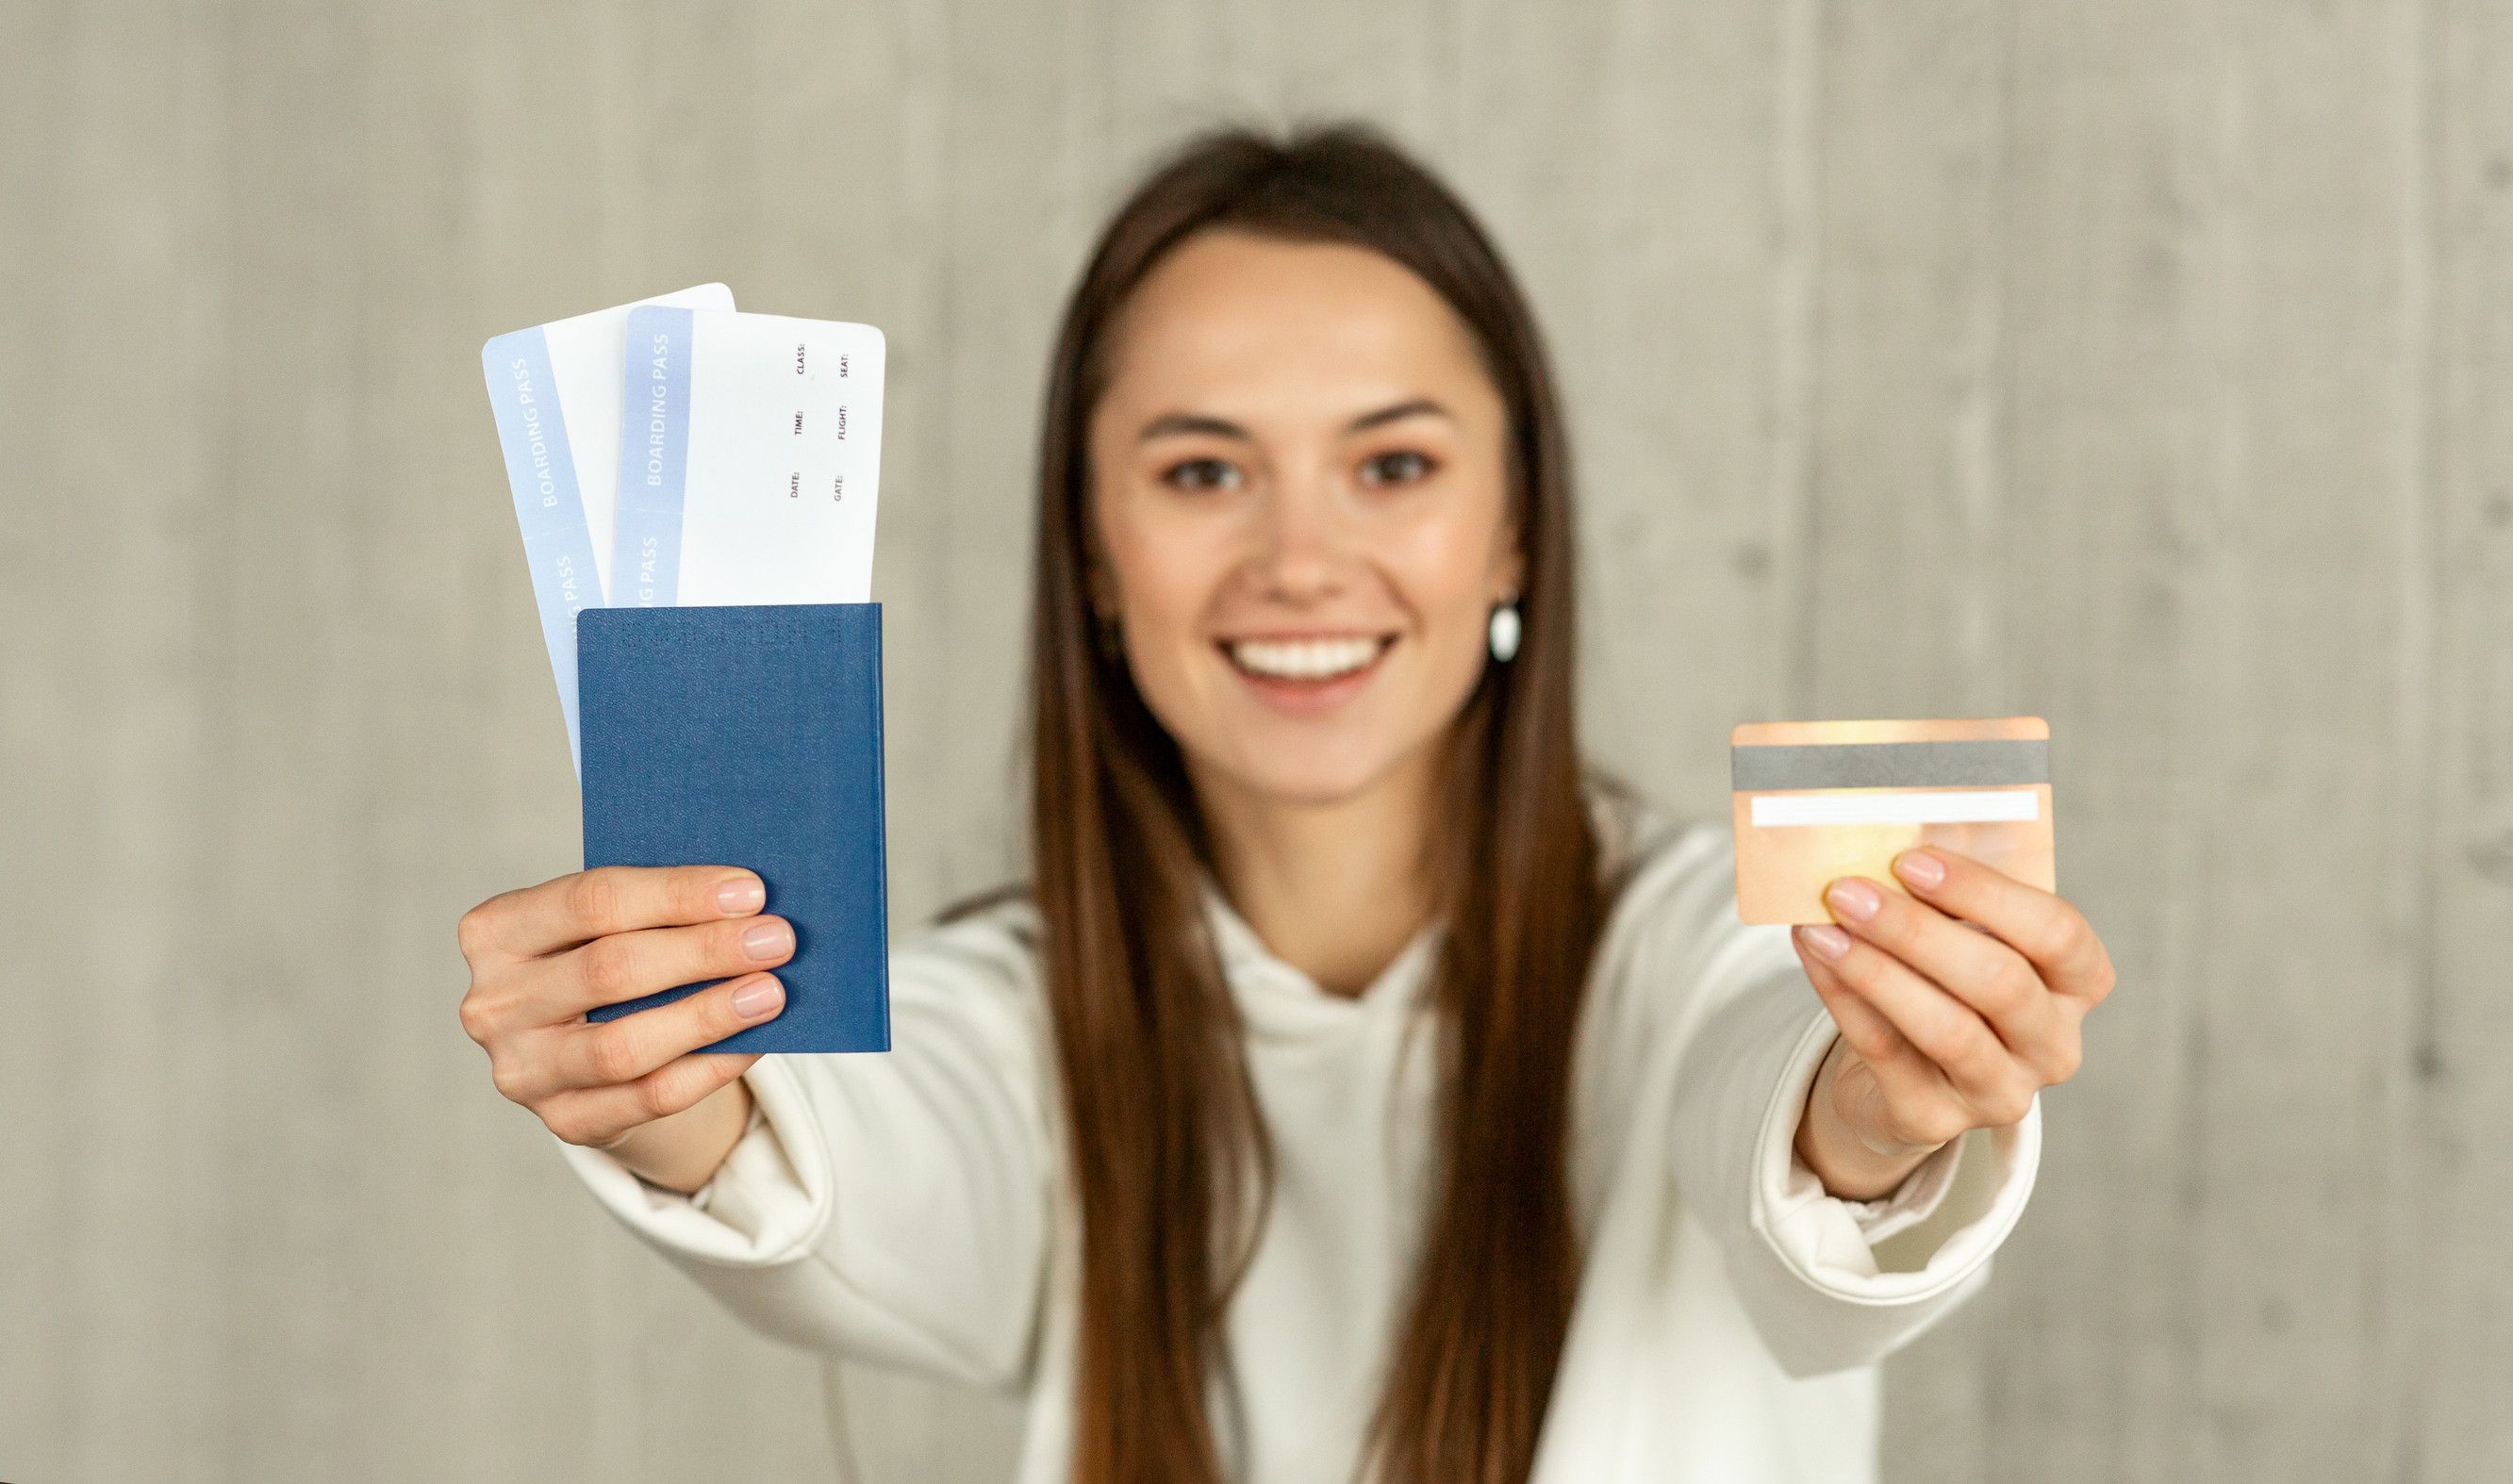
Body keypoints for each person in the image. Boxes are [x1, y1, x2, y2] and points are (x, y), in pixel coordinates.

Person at [455, 124, 2116, 1484]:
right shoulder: (1027, 1014)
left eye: (1392, 465)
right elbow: (844, 1166)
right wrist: (662, 1082)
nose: (1299, 560)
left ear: (1517, 531)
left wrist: (1881, 1110)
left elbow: (1775, 1106)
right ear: (1093, 556)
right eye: (1200, 471)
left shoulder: (1691, 953)